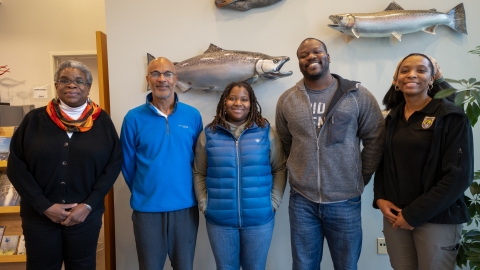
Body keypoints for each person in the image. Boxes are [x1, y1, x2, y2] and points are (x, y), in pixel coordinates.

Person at [275, 38, 385, 270]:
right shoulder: (287, 100)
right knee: (304, 265)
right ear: (299, 62)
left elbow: (375, 138)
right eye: (304, 55)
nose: (311, 57)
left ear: (328, 56)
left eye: (317, 51)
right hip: (302, 201)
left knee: (346, 265)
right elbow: (286, 143)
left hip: (345, 200)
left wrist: (359, 177)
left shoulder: (356, 95)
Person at [6, 60, 122, 269]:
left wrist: (88, 205)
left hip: (85, 217)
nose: (72, 85)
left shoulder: (102, 121)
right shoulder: (34, 120)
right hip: (39, 217)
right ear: (56, 85)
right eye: (64, 80)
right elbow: (16, 166)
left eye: (79, 81)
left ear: (88, 87)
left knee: (82, 266)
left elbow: (113, 165)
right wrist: (44, 206)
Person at [373, 53, 473, 270]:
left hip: (437, 217)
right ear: (396, 80)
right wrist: (380, 198)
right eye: (405, 70)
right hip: (395, 218)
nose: (412, 75)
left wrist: (413, 214)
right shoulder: (391, 118)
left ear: (432, 79)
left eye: (421, 70)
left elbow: (459, 175)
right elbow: (383, 163)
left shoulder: (451, 116)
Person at [193, 81, 287, 270]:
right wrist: (204, 203)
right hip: (220, 222)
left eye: (244, 99)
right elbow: (199, 172)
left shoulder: (266, 133)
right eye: (232, 98)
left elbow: (280, 168)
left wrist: (274, 201)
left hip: (259, 221)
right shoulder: (209, 134)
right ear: (224, 101)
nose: (238, 103)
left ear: (251, 103)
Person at [121, 57, 203, 270]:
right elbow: (128, 164)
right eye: (155, 74)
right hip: (147, 210)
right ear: (148, 79)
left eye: (167, 74)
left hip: (185, 207)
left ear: (175, 79)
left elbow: (199, 161)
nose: (161, 79)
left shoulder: (192, 116)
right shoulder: (133, 118)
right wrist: (146, 189)